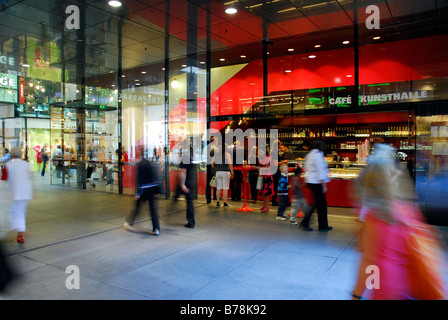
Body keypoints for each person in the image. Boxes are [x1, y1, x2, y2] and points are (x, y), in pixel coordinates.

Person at [352, 143, 446, 300]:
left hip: (385, 286)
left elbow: (370, 261)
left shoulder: (375, 216)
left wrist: (358, 294)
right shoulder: (408, 209)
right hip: (407, 283)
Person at [124, 147, 160, 236]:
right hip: (152, 188)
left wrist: (138, 193)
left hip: (144, 189)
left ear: (140, 153)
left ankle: (130, 224)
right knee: (153, 210)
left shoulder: (140, 164)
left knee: (137, 207)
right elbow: (155, 177)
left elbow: (140, 179)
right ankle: (156, 229)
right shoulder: (150, 163)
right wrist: (156, 191)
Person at [300, 140, 332, 231]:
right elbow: (320, 170)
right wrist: (323, 185)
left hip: (311, 181)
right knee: (320, 204)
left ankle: (321, 225)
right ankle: (308, 223)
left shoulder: (310, 154)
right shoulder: (318, 155)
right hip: (317, 182)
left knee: (318, 204)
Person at [5, 147, 33, 243]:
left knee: (11, 213)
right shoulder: (26, 165)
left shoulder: (8, 165)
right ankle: (20, 235)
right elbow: (30, 177)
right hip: (25, 193)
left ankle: (14, 231)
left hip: (13, 193)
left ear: (11, 155)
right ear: (20, 155)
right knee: (20, 214)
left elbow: (3, 181)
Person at [177, 144, 196, 228]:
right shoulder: (191, 158)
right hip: (191, 182)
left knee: (189, 203)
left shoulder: (185, 159)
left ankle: (191, 222)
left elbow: (183, 172)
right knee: (190, 203)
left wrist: (182, 184)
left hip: (186, 183)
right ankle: (191, 221)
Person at [212, 143, 234, 208]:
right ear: (226, 148)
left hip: (218, 172)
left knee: (218, 188)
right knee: (225, 188)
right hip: (225, 172)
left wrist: (216, 168)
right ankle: (225, 203)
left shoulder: (216, 154)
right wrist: (232, 173)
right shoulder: (227, 154)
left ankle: (218, 203)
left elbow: (212, 163)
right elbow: (230, 165)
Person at [258, 147, 274, 213]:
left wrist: (260, 173)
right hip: (262, 175)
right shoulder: (260, 158)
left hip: (267, 176)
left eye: (260, 151)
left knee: (266, 192)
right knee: (262, 191)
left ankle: (266, 206)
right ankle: (264, 204)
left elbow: (266, 167)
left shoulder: (268, 157)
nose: (259, 153)